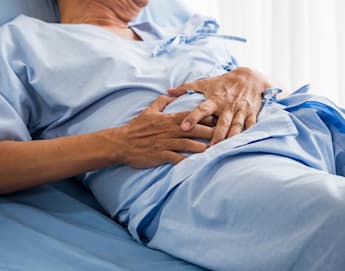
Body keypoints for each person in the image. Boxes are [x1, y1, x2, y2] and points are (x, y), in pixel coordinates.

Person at [0, 0, 345, 270]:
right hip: (201, 171)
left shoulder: (173, 29)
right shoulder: (24, 43)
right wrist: (119, 144)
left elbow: (268, 89)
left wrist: (252, 77)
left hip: (310, 126)